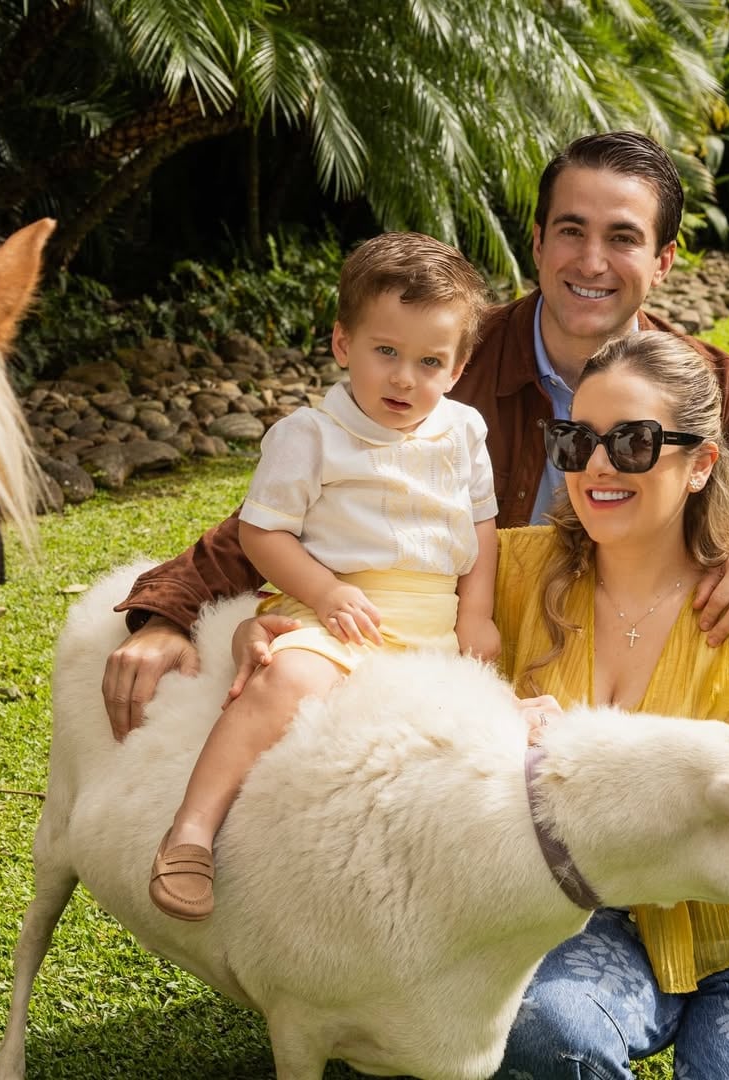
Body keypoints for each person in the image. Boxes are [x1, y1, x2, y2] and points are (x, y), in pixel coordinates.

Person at [234, 331, 729, 1079]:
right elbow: (316, 526)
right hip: (589, 911)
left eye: (632, 442)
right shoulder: (507, 574)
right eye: (576, 439)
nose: (596, 466)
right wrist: (267, 621)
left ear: (701, 464)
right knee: (542, 1030)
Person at [101, 130, 729, 741]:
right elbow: (302, 502)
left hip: (628, 674)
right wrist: (167, 612)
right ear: (538, 242)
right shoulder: (448, 365)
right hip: (470, 666)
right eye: (571, 230)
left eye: (624, 238)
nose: (591, 261)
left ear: (664, 262)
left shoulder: (701, 374)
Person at [148, 232, 500, 920]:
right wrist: (324, 591)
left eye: (430, 362)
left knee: (479, 740)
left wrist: (476, 616)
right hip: (338, 609)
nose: (405, 378)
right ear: (344, 345)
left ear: (457, 369)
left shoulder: (463, 431)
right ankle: (191, 829)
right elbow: (262, 531)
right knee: (286, 680)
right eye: (386, 353)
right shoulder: (309, 435)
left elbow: (480, 528)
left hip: (433, 624)